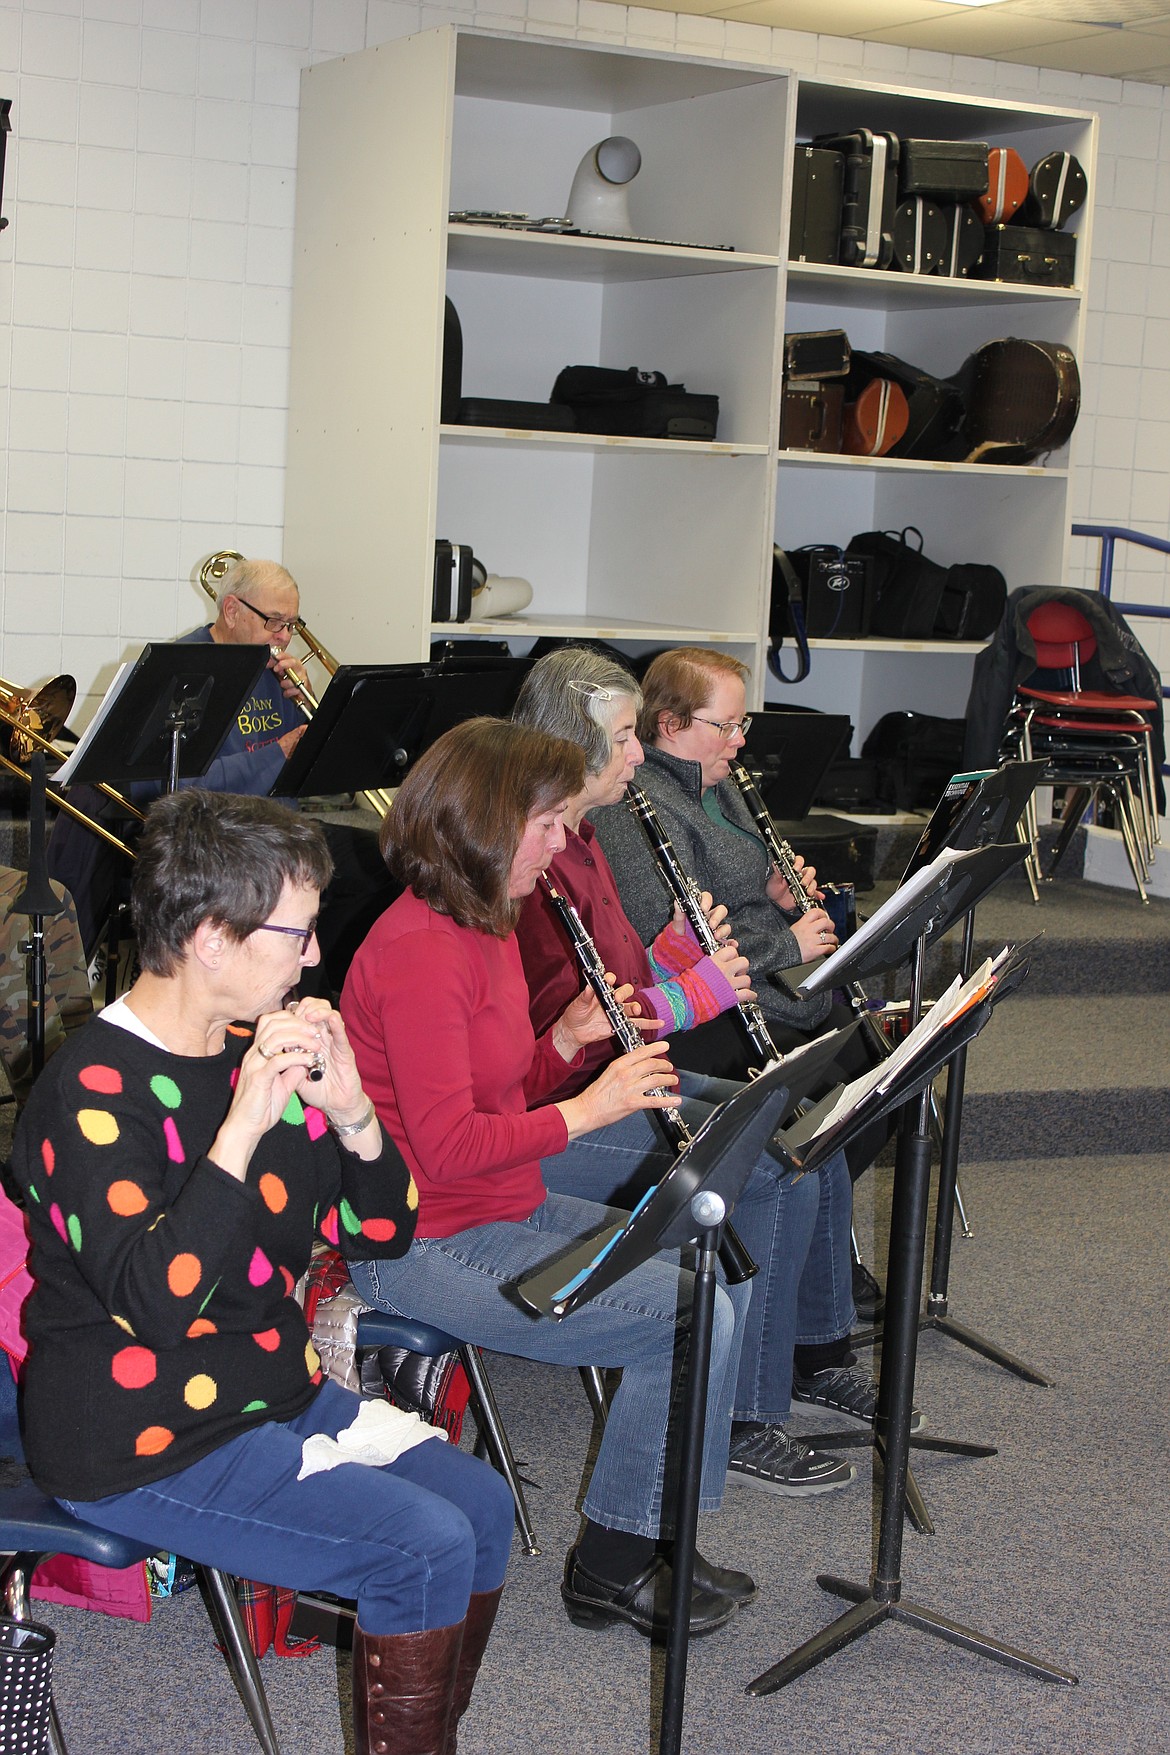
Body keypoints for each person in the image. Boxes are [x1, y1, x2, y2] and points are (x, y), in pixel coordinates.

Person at [11, 790, 514, 1755]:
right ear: (211, 938)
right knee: (426, 1540)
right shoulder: (90, 1090)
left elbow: (380, 1231)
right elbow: (158, 1305)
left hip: (267, 1392)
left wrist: (357, 1109)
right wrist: (240, 1130)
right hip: (140, 1437)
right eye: (298, 933)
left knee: (480, 1506)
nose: (313, 957)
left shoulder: (256, 1047)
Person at [340, 716, 848, 1645]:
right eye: (550, 823)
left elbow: (501, 1091)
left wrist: (565, 1044)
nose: (566, 841)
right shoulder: (418, 950)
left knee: (716, 1267)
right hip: (420, 1242)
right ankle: (614, 1565)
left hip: (498, 1204)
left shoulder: (482, 919)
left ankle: (652, 1534)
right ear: (493, 823)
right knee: (688, 1316)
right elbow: (449, 1149)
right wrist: (592, 1104)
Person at [511, 649, 894, 1447]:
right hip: (573, 1099)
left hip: (618, 1066)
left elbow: (620, 974)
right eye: (624, 738)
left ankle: (810, 1351)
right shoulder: (553, 849)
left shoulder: (577, 840)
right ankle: (749, 1410)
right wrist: (694, 987)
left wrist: (673, 959)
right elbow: (567, 1028)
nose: (639, 754)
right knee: (773, 1158)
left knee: (797, 1139)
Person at [591, 646, 903, 1330]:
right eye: (725, 725)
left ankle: (801, 1248)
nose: (739, 741)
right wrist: (787, 943)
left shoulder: (720, 777)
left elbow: (738, 888)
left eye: (743, 725)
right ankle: (799, 1274)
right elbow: (664, 937)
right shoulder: (636, 805)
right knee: (831, 1097)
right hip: (711, 1009)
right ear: (668, 724)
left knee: (881, 1084)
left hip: (774, 982)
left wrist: (781, 895)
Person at [49, 557, 388, 988]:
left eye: (292, 625)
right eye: (275, 622)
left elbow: (305, 776)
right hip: (216, 834)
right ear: (231, 610)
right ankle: (293, 991)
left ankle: (335, 990)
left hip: (279, 829)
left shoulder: (275, 671)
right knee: (290, 902)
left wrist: (304, 703)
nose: (284, 637)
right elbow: (166, 784)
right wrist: (277, 753)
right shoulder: (183, 670)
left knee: (385, 864)